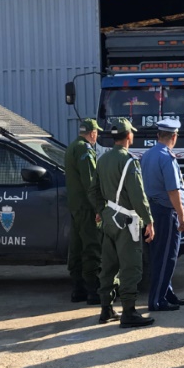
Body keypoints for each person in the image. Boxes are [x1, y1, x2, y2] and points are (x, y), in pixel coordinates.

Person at [89, 117, 156, 328]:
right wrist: (149, 220)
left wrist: (101, 210)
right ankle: (129, 312)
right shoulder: (129, 161)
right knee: (130, 266)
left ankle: (106, 309)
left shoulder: (103, 160)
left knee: (108, 265)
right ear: (128, 136)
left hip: (109, 219)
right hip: (126, 221)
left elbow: (93, 191)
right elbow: (138, 195)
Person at [140, 118, 184, 311]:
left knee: (158, 254)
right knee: (167, 256)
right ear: (174, 136)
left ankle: (167, 293)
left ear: (158, 135)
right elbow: (173, 191)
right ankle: (157, 300)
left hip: (152, 209)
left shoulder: (148, 155)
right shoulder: (166, 158)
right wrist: (182, 215)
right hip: (165, 211)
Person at [64, 118, 102, 305]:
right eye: (97, 133)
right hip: (87, 207)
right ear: (92, 133)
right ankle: (93, 291)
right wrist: (98, 207)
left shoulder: (73, 146)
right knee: (92, 247)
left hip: (76, 206)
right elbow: (90, 182)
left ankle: (78, 290)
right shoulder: (84, 149)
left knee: (77, 248)